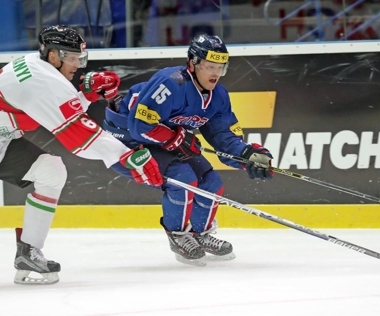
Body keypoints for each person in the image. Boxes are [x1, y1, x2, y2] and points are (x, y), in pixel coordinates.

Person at [0, 25, 163, 285]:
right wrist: (125, 155)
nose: (78, 64)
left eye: (80, 58)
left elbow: (58, 112)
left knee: (51, 173)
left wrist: (85, 95)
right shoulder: (43, 81)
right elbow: (80, 138)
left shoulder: (35, 66)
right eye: (72, 57)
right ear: (53, 56)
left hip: (4, 141)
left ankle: (28, 251)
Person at [103, 34, 274, 266]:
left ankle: (199, 235)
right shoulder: (171, 83)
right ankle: (178, 235)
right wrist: (176, 138)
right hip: (127, 143)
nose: (215, 73)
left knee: (211, 183)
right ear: (193, 64)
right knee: (182, 178)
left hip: (162, 140)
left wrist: (247, 155)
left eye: (220, 67)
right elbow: (140, 126)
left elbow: (222, 136)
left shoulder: (219, 96)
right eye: (209, 66)